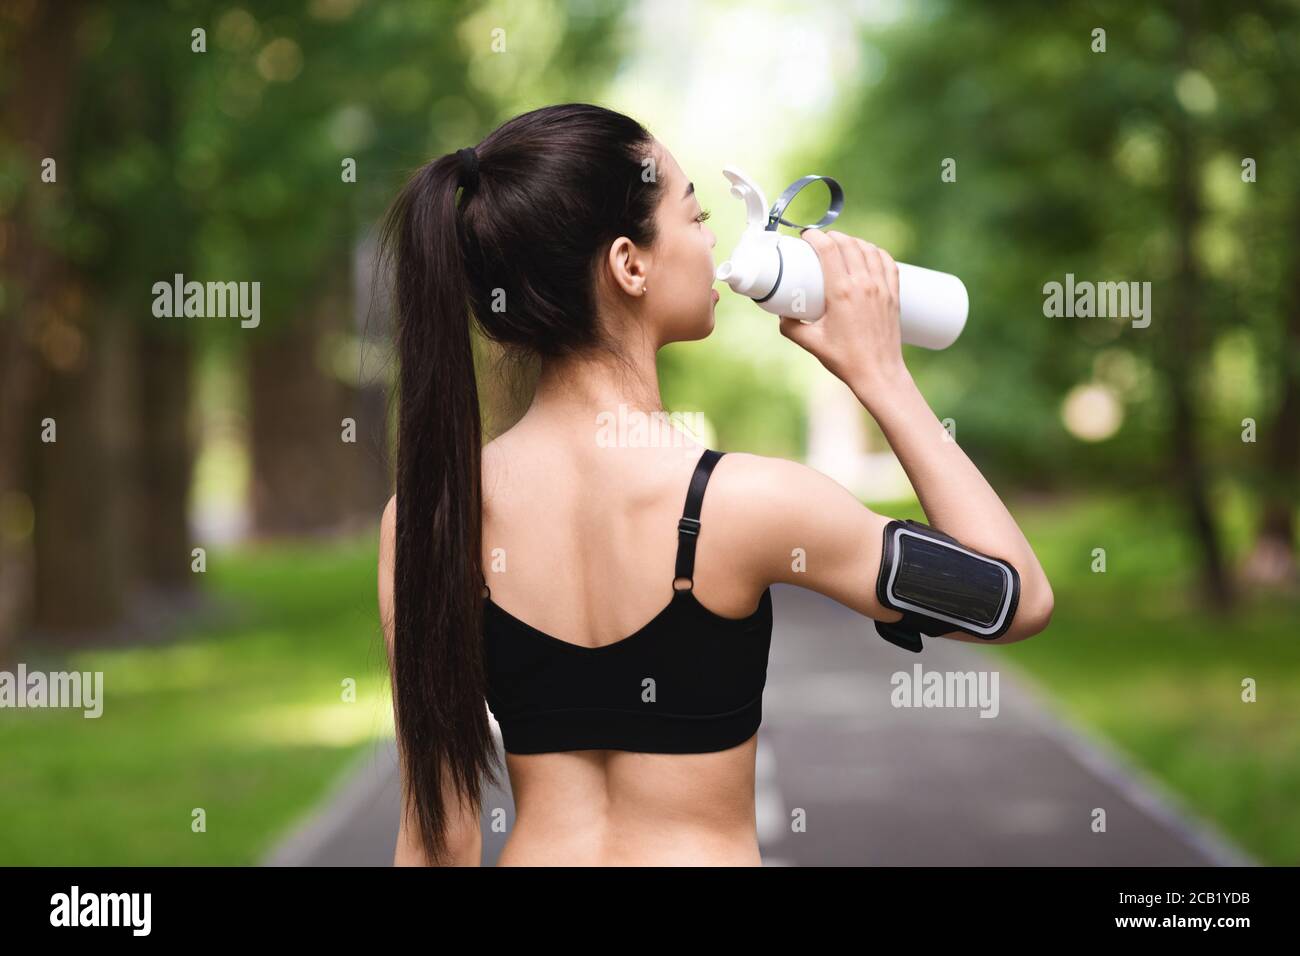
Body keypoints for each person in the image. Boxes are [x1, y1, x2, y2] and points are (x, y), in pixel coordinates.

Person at [375, 103, 1054, 867]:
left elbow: (436, 839)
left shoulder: (428, 521)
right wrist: (883, 374)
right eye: (694, 215)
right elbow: (1016, 598)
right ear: (629, 264)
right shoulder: (748, 504)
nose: (711, 242)